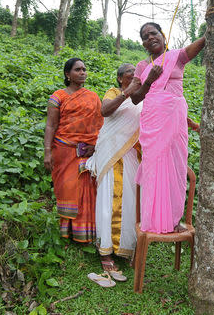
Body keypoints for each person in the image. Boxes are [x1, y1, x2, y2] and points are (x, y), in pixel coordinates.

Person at [124, 22, 204, 234]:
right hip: (153, 122)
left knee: (177, 167)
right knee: (154, 168)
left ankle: (174, 219)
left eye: (153, 33)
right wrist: (149, 80)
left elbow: (200, 44)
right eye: (145, 36)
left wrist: (213, 28)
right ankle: (153, 218)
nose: (150, 37)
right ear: (143, 44)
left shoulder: (177, 56)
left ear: (163, 35)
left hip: (175, 119)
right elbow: (135, 98)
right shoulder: (142, 66)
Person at [86, 63, 141, 281]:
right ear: (120, 79)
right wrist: (127, 93)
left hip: (131, 158)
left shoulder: (142, 100)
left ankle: (124, 247)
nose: (135, 76)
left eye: (137, 74)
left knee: (129, 202)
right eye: (131, 73)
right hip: (111, 155)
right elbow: (105, 110)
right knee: (108, 202)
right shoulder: (115, 93)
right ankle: (106, 251)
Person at [44, 58, 103, 244]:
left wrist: (96, 146)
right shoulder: (58, 96)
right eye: (78, 69)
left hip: (87, 151)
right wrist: (47, 151)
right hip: (63, 151)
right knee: (68, 189)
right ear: (67, 74)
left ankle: (85, 234)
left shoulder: (93, 97)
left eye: (84, 69)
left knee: (86, 190)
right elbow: (51, 126)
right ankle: (67, 233)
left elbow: (101, 125)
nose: (83, 72)